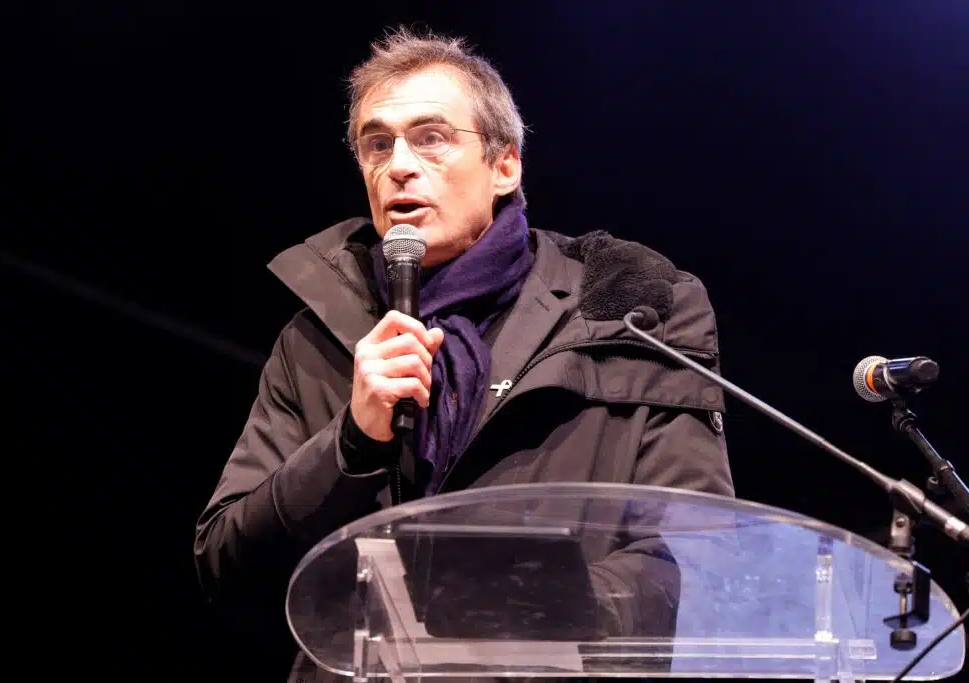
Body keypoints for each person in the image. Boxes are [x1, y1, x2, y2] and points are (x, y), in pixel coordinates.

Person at [194, 26, 734, 680]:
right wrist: (350, 445)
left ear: (505, 165)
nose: (398, 164)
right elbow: (228, 569)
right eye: (376, 143)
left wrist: (514, 600)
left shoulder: (631, 315)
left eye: (431, 137)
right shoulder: (314, 343)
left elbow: (698, 565)